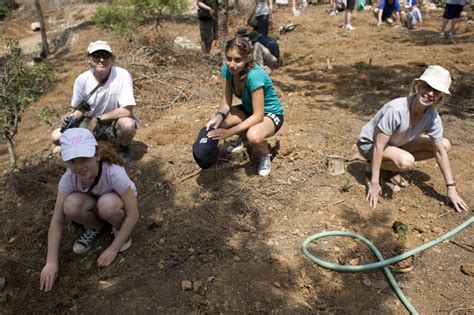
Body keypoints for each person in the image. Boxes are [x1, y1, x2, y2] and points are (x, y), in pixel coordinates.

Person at [357, 65, 470, 212]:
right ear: (418, 86)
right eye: (427, 87)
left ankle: (390, 167)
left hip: (397, 143)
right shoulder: (397, 110)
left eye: (436, 91)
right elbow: (379, 146)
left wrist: (451, 188)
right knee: (406, 161)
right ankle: (373, 166)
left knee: (444, 145)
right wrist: (374, 182)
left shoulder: (432, 116)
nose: (430, 93)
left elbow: (440, 152)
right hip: (370, 144)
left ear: (440, 97)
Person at [40, 128, 139, 292]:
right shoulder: (68, 179)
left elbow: (133, 214)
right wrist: (51, 262)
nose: (79, 166)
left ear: (97, 155)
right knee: (70, 205)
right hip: (97, 206)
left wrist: (113, 248)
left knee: (108, 204)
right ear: (65, 161)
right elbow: (57, 220)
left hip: (116, 208)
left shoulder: (113, 172)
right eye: (72, 161)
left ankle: (119, 229)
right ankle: (97, 228)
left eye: (84, 158)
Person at [205, 38, 285, 176]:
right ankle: (244, 139)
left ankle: (265, 154)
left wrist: (230, 132)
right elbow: (226, 102)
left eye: (237, 60)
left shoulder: (255, 75)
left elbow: (258, 115)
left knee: (254, 136)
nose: (232, 64)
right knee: (218, 122)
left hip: (270, 114)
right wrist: (219, 116)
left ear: (247, 59)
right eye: (229, 59)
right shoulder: (227, 70)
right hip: (250, 110)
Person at [51, 40, 138, 162]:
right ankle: (88, 145)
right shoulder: (82, 80)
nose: (101, 59)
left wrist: (98, 118)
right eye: (96, 55)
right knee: (56, 136)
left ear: (112, 59)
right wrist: (71, 118)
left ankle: (123, 148)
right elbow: (81, 109)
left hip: (113, 121)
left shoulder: (122, 75)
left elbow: (127, 111)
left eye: (105, 55)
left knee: (128, 125)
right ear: (89, 59)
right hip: (89, 122)